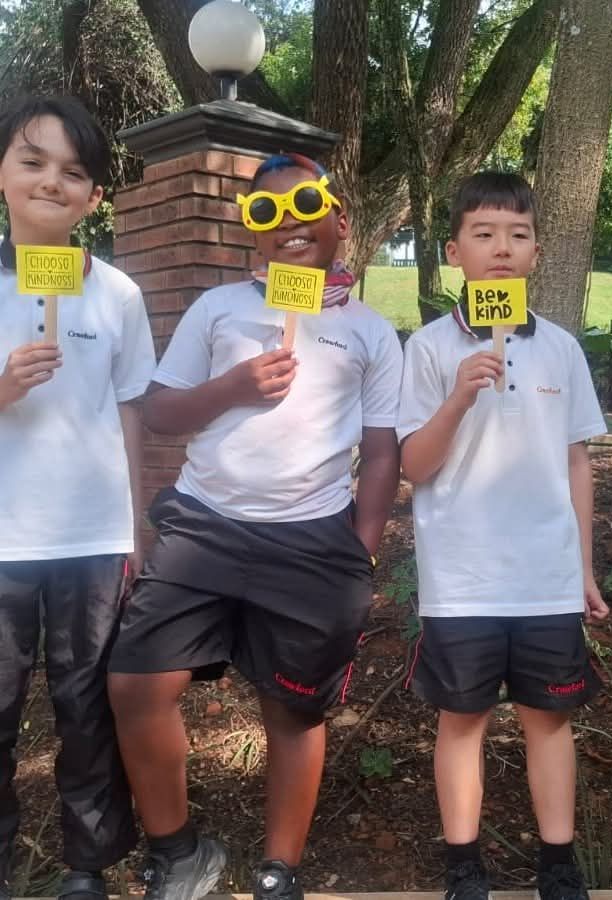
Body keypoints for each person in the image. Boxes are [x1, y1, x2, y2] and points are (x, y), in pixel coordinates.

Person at [107, 154, 402, 900]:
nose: (288, 223)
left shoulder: (370, 332)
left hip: (312, 543)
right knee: (136, 684)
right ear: (252, 232)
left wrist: (362, 550)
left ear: (341, 221)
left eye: (304, 206)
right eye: (265, 213)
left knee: (295, 709)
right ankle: (178, 852)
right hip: (204, 528)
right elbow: (162, 411)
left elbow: (380, 453)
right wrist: (233, 386)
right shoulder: (219, 309)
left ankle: (280, 867)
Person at [396, 171, 609, 900]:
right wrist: (459, 395)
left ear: (537, 252)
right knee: (463, 721)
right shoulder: (428, 348)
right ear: (455, 251)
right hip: (463, 580)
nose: (501, 248)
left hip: (547, 575)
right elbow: (414, 466)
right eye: (483, 234)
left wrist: (583, 568)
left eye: (518, 235)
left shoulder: (562, 349)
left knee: (550, 719)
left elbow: (576, 461)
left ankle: (559, 862)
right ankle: (464, 865)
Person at [0, 95, 155, 900]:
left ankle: (87, 864)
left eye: (72, 172)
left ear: (94, 197)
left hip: (92, 538)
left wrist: (137, 523)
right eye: (32, 161)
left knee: (86, 704)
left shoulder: (118, 295)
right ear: (2, 172)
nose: (50, 183)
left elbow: (129, 411)